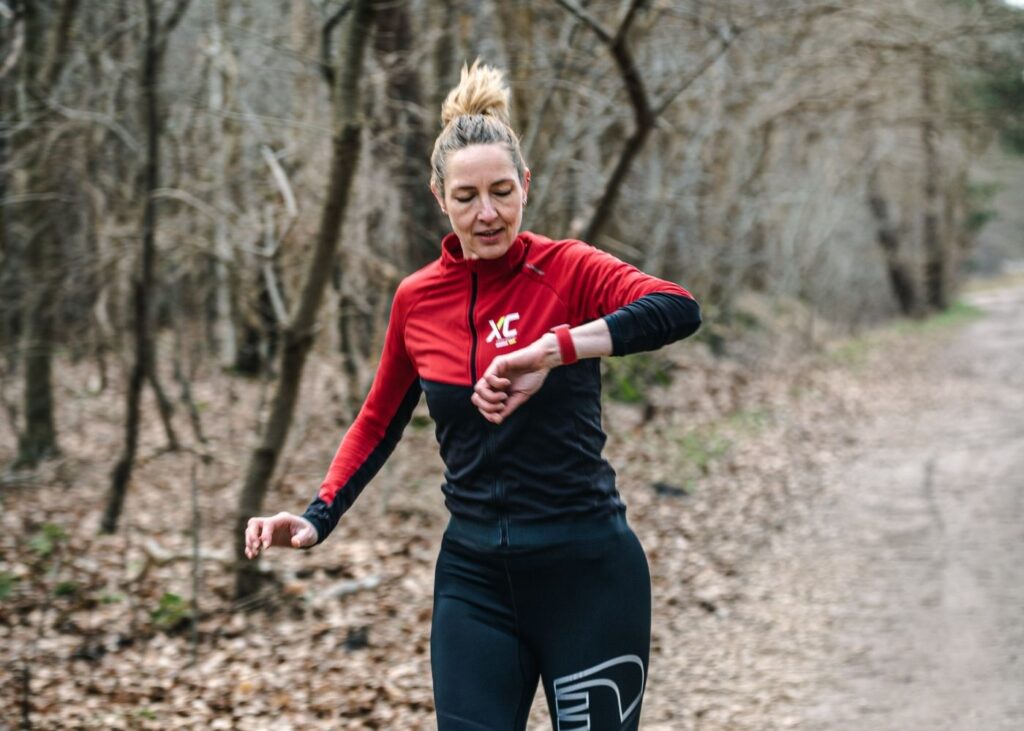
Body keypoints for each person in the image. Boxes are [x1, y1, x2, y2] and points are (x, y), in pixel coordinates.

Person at [244, 61, 701, 730]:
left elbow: (676, 307)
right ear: (439, 197)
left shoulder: (567, 269)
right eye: (466, 197)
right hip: (476, 580)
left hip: (589, 574)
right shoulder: (417, 299)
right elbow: (378, 419)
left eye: (501, 191)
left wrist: (557, 348)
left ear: (526, 186)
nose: (486, 213)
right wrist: (319, 516)